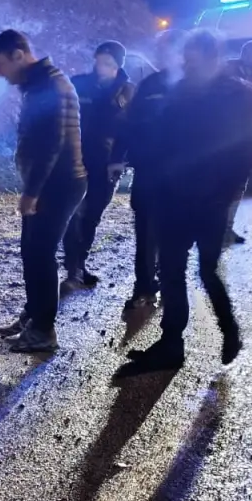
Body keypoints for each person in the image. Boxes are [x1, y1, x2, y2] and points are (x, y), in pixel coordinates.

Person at [127, 31, 252, 371]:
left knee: (207, 271)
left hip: (210, 201)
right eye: (185, 59)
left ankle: (229, 328)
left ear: (213, 58)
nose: (186, 65)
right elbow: (159, 140)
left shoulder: (238, 96)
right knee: (171, 270)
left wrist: (223, 194)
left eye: (193, 60)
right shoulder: (178, 91)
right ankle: (171, 343)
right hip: (172, 200)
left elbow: (245, 152)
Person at [0, 30, 87, 352]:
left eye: (0, 63)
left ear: (19, 54)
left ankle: (43, 330)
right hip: (51, 184)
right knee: (31, 253)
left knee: (40, 254)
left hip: (58, 185)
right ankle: (34, 316)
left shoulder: (50, 86)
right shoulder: (39, 84)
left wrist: (32, 192)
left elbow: (51, 146)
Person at [109, 29, 183, 311]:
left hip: (183, 177)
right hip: (149, 173)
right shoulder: (151, 84)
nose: (164, 54)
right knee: (146, 233)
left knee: (175, 235)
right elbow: (129, 123)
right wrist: (117, 157)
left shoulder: (197, 86)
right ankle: (144, 288)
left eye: (169, 49)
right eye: (161, 49)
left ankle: (172, 286)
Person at [62, 40, 134, 292]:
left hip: (106, 163)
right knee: (73, 213)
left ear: (117, 65)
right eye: (99, 60)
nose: (101, 67)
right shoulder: (78, 84)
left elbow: (129, 130)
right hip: (75, 158)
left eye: (108, 62)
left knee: (93, 214)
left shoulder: (128, 92)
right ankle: (73, 268)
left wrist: (119, 160)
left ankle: (80, 263)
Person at [224, 40, 252, 245]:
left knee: (237, 188)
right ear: (246, 53)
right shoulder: (225, 72)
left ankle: (226, 228)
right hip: (223, 144)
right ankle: (210, 229)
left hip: (246, 147)